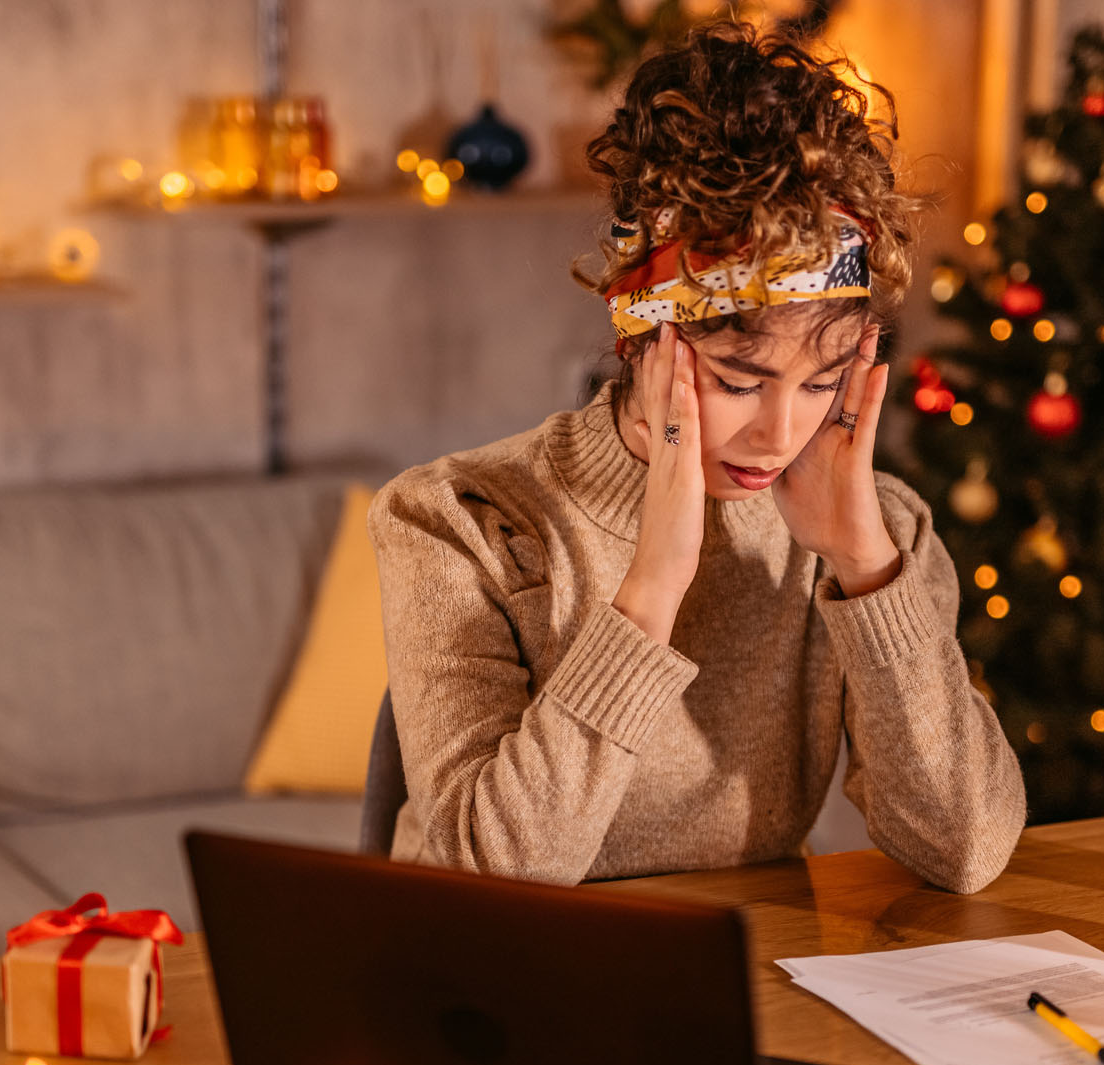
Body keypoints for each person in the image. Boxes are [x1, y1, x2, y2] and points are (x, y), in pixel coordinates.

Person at [369, 22, 1025, 892]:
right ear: (642, 340)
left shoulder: (878, 528)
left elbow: (967, 850)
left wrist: (869, 571)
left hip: (747, 984)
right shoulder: (457, 520)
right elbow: (486, 882)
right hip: (509, 993)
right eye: (740, 380)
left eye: (823, 380)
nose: (780, 433)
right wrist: (649, 595)